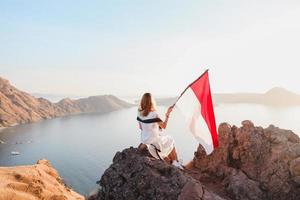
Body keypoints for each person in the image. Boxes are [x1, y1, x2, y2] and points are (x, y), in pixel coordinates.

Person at [137, 93, 182, 168]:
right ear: (152, 102)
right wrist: (167, 114)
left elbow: (141, 128)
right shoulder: (154, 114)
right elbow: (164, 126)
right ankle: (175, 162)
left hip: (145, 140)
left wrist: (152, 129)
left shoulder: (139, 113)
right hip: (154, 142)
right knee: (170, 139)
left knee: (165, 141)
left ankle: (174, 162)